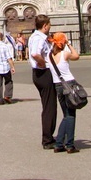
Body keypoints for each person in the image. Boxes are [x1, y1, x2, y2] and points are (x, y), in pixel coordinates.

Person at [48, 33, 80, 153]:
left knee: (66, 115)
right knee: (71, 115)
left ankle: (59, 144)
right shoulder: (64, 54)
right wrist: (69, 44)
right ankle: (70, 145)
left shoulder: (49, 56)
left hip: (58, 86)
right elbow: (77, 56)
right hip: (69, 84)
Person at [28, 14, 57, 148]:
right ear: (45, 26)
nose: (50, 27)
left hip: (38, 74)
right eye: (49, 25)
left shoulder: (34, 36)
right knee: (49, 107)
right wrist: (44, 62)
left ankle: (48, 136)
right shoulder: (39, 38)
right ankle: (47, 139)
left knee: (48, 106)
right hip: (43, 73)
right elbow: (35, 53)